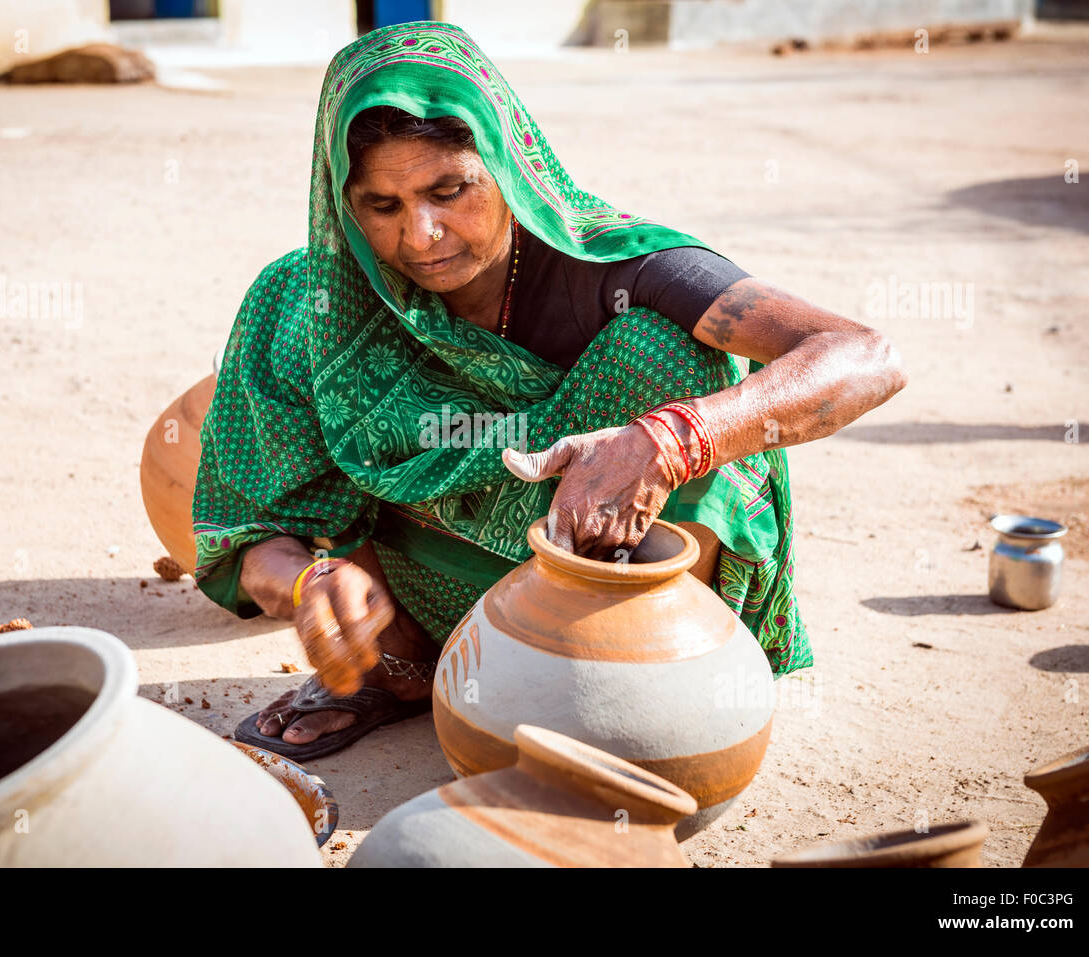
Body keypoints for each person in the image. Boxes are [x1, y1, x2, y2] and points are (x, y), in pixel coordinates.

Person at [191, 22, 907, 760]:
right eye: (383, 206)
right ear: (343, 203)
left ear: (506, 164)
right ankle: (402, 672)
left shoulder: (616, 267)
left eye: (450, 190)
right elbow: (248, 535)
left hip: (602, 583)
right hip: (415, 600)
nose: (425, 234)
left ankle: (635, 681)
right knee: (301, 317)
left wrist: (665, 443)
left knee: (669, 351)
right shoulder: (312, 302)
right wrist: (310, 582)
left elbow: (864, 355)